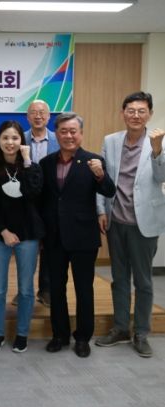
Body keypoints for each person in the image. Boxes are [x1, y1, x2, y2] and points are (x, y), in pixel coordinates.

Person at [95, 92, 165, 358]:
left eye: (141, 111)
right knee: (119, 278)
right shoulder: (111, 141)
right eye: (131, 110)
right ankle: (121, 328)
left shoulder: (159, 141)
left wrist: (157, 150)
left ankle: (142, 332)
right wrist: (101, 210)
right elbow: (102, 179)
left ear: (150, 114)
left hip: (143, 223)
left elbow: (162, 176)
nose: (136, 115)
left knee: (144, 281)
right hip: (116, 221)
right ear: (123, 113)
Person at [40, 112, 115, 358]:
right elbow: (43, 199)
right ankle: (59, 335)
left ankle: (83, 337)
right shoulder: (46, 163)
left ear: (80, 134)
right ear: (57, 134)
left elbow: (109, 190)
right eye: (63, 131)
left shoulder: (94, 161)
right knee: (56, 289)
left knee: (84, 289)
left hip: (83, 236)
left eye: (73, 131)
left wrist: (100, 175)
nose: (69, 136)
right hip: (54, 237)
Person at [0, 120, 45, 353]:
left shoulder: (32, 167)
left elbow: (33, 193)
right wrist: (4, 231)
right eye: (5, 138)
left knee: (26, 289)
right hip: (0, 236)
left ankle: (22, 334)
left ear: (22, 141)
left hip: (28, 236)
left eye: (15, 138)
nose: (10, 142)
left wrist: (27, 162)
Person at [13, 100, 60, 308]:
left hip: (51, 201)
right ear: (27, 116)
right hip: (25, 201)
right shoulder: (18, 139)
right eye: (33, 112)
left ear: (49, 117)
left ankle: (46, 290)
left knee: (49, 247)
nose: (38, 116)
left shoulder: (58, 139)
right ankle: (24, 290)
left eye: (42, 112)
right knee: (26, 248)